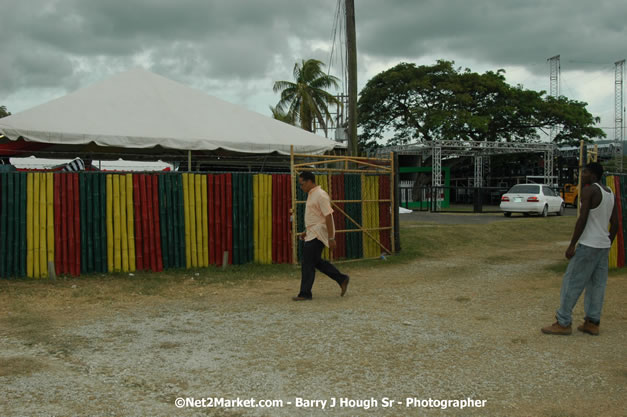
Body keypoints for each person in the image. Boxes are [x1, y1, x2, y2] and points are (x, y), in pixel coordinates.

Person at [541, 162, 619, 336]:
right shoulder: (610, 193)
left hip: (588, 244)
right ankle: (592, 322)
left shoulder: (589, 190)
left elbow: (582, 219)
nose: (581, 175)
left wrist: (572, 245)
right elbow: (615, 223)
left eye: (584, 172)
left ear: (592, 175)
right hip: (602, 246)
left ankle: (563, 322)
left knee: (572, 282)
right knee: (597, 285)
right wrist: (607, 242)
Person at [293, 171, 349, 301]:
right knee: (316, 261)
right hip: (312, 232)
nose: (301, 187)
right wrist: (306, 231)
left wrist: (331, 237)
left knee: (307, 262)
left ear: (309, 181)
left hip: (318, 234)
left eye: (302, 184)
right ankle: (342, 279)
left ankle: (305, 293)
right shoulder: (312, 194)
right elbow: (315, 216)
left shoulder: (320, 195)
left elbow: (328, 216)